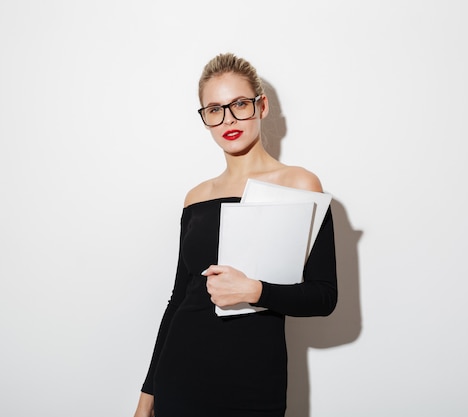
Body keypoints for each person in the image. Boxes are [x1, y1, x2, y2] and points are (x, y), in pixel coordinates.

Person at [133, 53, 338, 417]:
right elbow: (179, 299)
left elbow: (324, 297)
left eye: (239, 104)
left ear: (262, 106)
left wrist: (255, 290)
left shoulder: (299, 184)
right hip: (181, 376)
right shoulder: (197, 196)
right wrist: (147, 396)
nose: (228, 119)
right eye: (214, 109)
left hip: (254, 381)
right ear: (205, 119)